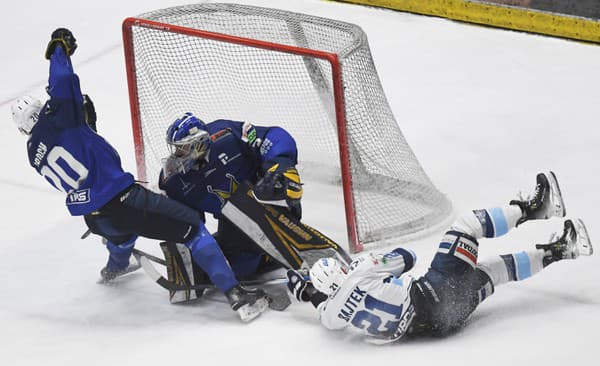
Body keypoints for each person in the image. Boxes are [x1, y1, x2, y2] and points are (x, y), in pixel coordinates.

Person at [10, 28, 269, 322]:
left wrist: (89, 129)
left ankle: (115, 268)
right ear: (42, 111)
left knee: (121, 235)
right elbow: (63, 82)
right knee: (194, 228)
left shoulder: (33, 153)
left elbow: (78, 154)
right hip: (122, 200)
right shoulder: (58, 118)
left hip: (94, 216)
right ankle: (238, 297)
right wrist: (58, 50)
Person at [285, 171, 594, 343]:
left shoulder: (331, 316)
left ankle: (564, 249)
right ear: (341, 271)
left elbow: (324, 308)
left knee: (493, 271)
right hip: (437, 292)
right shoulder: (360, 270)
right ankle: (536, 208)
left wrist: (307, 292)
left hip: (442, 323)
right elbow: (407, 258)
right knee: (466, 227)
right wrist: (375, 266)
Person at [158, 111, 303, 279]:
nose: (177, 155)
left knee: (279, 187)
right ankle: (265, 254)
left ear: (198, 144)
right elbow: (188, 221)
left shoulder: (226, 134)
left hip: (266, 201)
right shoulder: (173, 181)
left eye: (182, 148)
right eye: (176, 149)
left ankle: (284, 239)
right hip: (233, 221)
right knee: (239, 270)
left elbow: (274, 136)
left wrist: (281, 164)